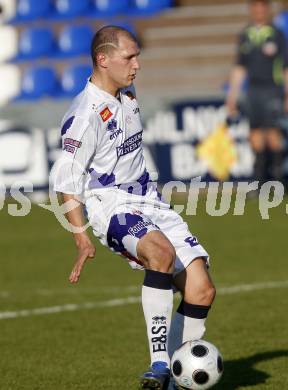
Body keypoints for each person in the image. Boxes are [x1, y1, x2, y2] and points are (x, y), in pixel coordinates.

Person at [52, 25, 216, 390]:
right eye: (130, 57)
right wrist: (81, 238)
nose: (137, 65)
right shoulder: (85, 114)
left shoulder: (126, 92)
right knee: (160, 253)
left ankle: (176, 379)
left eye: (138, 56)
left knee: (201, 289)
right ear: (103, 59)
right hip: (108, 204)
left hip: (149, 198)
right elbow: (66, 181)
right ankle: (160, 365)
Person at [226, 0, 288, 187]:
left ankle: (278, 180)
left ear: (267, 9)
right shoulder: (245, 34)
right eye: (255, 6)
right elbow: (239, 67)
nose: (259, 10)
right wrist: (232, 95)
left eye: (263, 6)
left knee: (273, 134)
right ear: (251, 9)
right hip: (252, 91)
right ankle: (260, 180)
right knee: (254, 134)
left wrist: (287, 94)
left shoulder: (277, 34)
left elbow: (285, 67)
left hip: (272, 90)